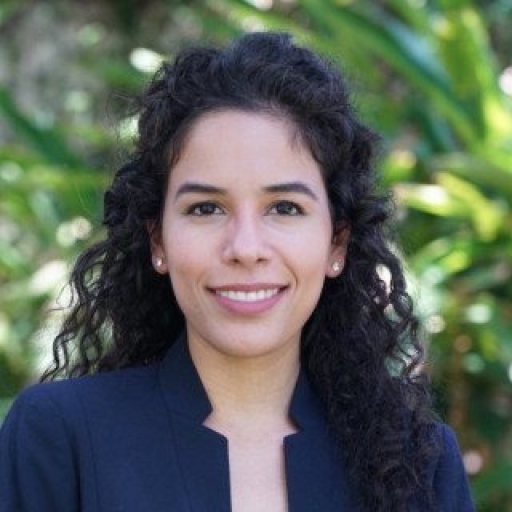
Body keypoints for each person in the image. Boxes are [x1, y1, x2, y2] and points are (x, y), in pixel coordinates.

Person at [0, 32, 474, 511]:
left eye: (284, 207)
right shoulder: (61, 438)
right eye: (206, 208)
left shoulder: (419, 463)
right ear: (158, 241)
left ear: (337, 243)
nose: (246, 249)